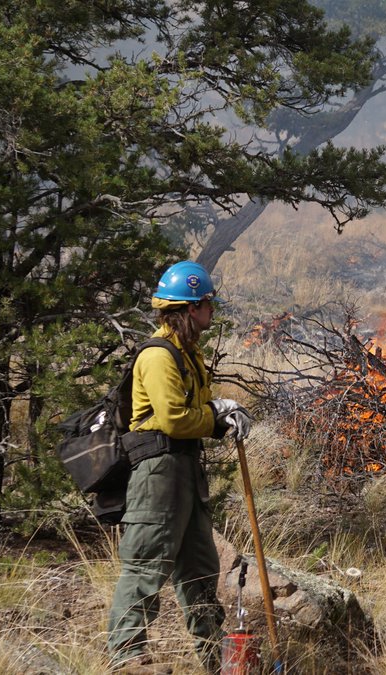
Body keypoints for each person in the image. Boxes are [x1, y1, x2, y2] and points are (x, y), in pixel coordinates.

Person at [107, 261, 252, 672]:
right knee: (146, 564)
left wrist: (217, 412)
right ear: (192, 308)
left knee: (200, 569)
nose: (212, 311)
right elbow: (173, 419)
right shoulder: (158, 355)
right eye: (208, 304)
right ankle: (128, 659)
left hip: (185, 468)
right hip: (159, 471)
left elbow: (193, 410)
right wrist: (215, 417)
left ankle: (215, 660)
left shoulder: (188, 353)